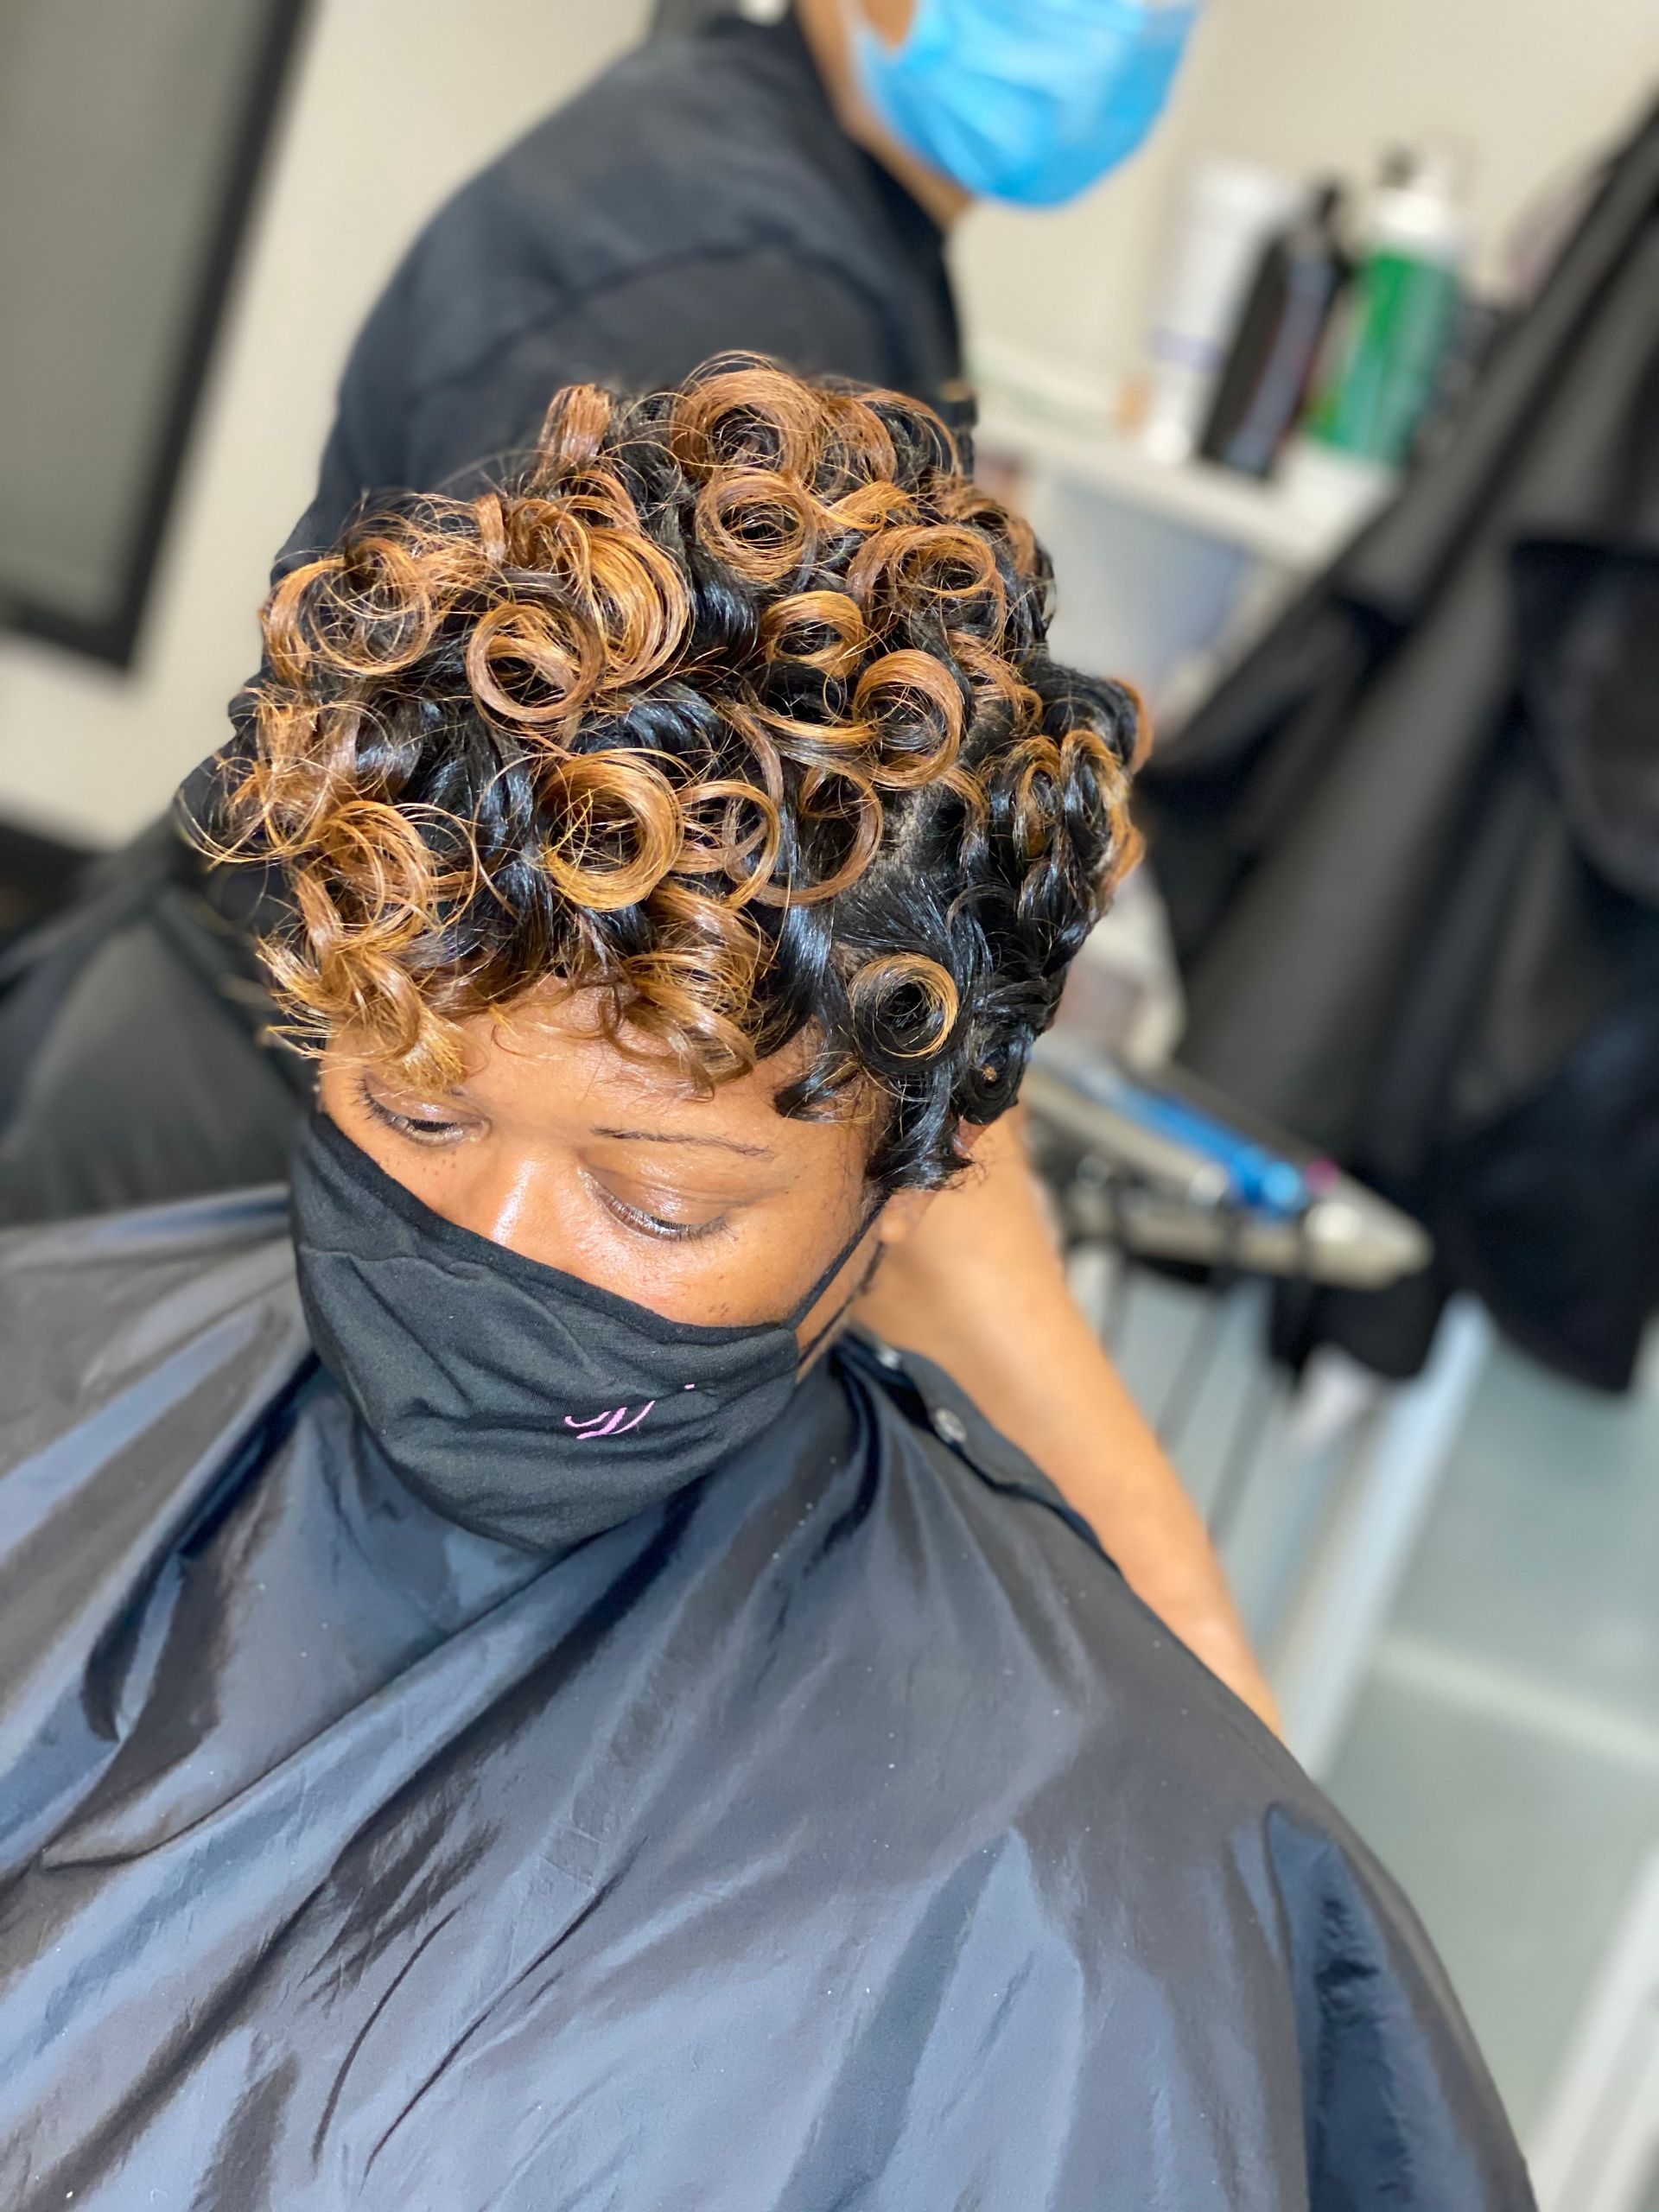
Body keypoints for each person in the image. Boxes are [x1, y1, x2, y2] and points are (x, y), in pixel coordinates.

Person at [0, 363, 1529, 2209]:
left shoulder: (1075, 1875)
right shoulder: (46, 1380)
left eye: (657, 1203)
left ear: (916, 1170)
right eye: (415, 1106)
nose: (493, 1240)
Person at [0, 0, 1274, 1728]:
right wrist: (1183, 1631)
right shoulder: (731, 280)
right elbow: (756, 1057)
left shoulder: (775, 196)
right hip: (229, 1132)